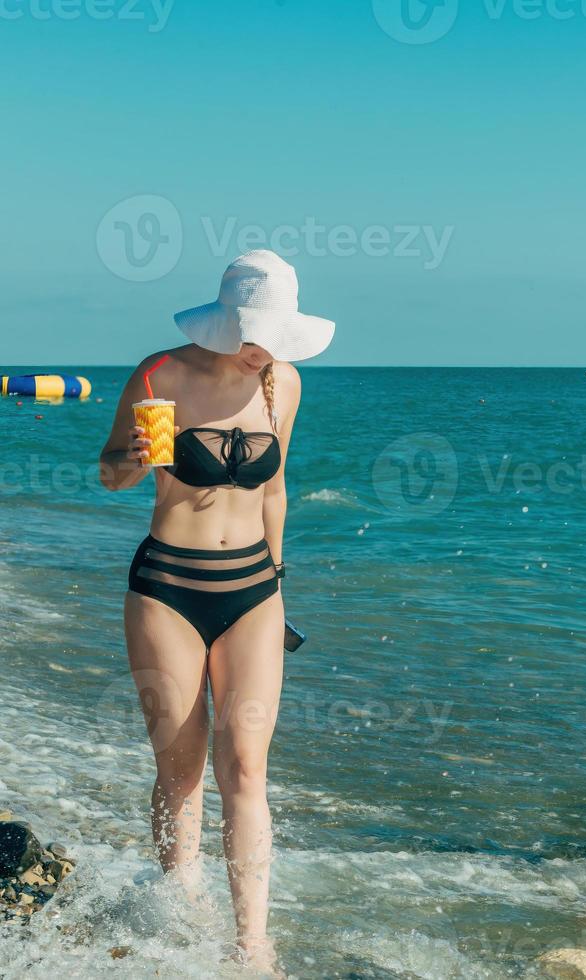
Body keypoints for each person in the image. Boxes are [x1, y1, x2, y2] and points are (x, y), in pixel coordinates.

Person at [99, 249, 335, 972]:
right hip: (168, 587)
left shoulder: (283, 384)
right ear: (226, 320)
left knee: (246, 765)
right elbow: (112, 473)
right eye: (257, 329)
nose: (267, 345)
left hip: (255, 591)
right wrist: (136, 460)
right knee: (183, 770)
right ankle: (180, 911)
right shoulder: (159, 374)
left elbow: (274, 489)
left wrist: (279, 578)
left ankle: (250, 944)